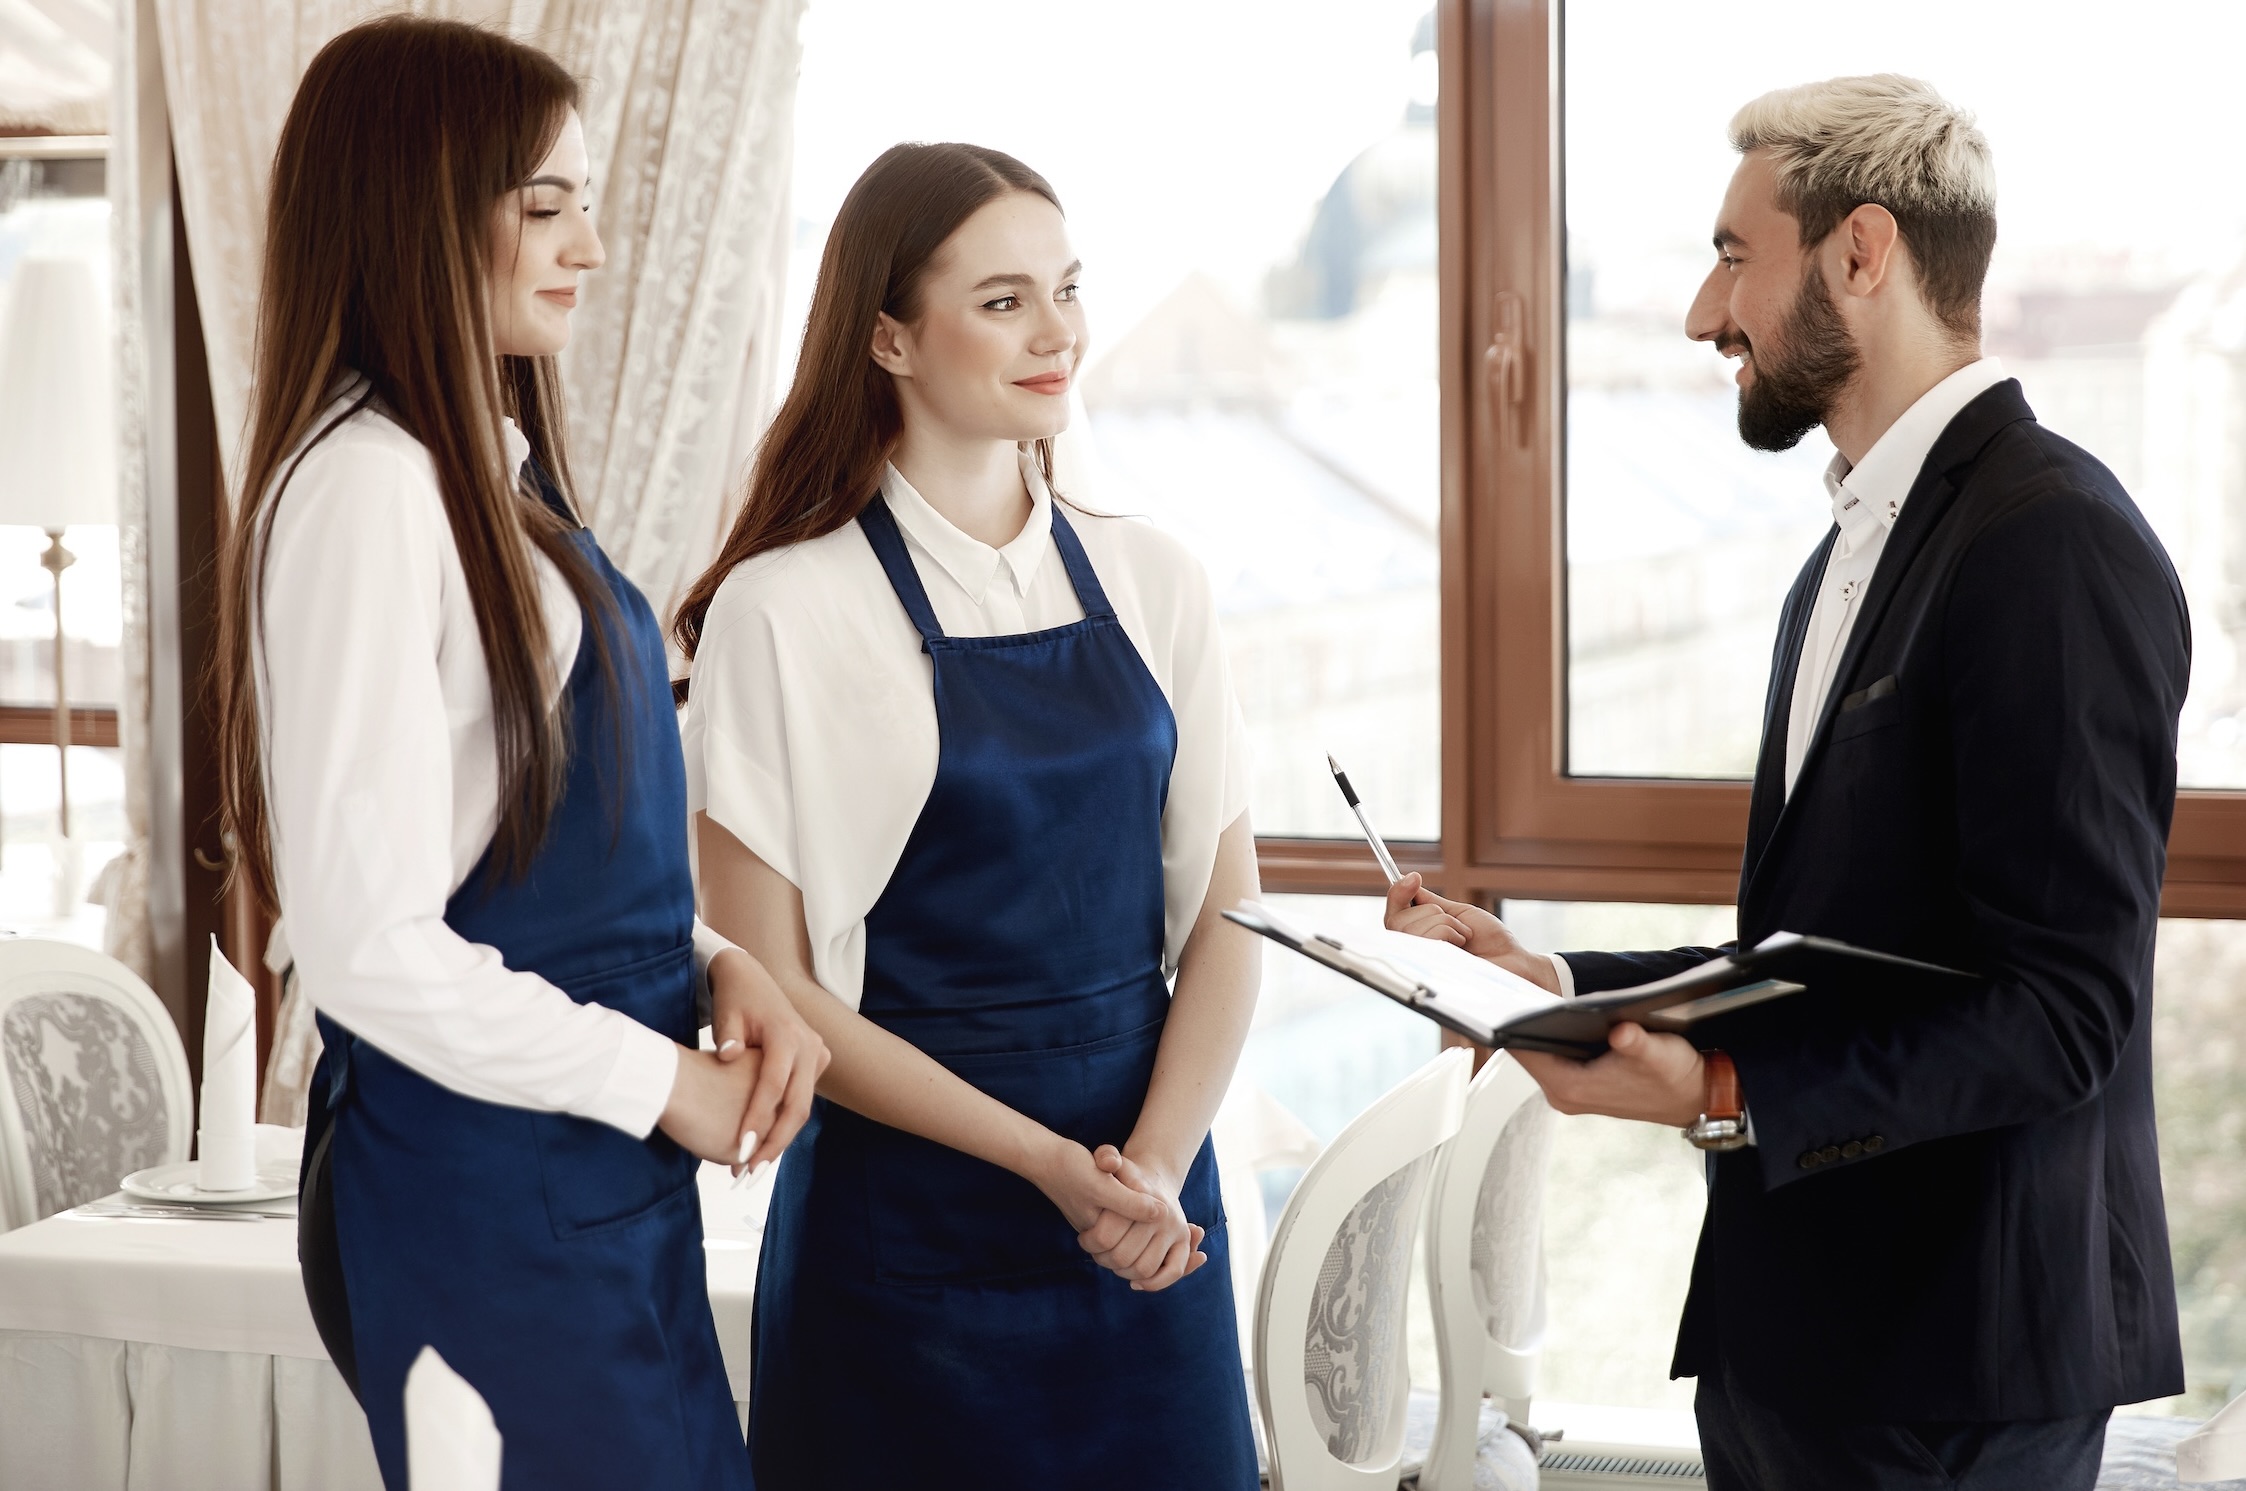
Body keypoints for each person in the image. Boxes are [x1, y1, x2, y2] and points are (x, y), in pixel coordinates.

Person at [1389, 75, 2187, 1491]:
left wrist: (1725, 1088)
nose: (1706, 314)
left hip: (1951, 1382)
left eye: (1731, 256)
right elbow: (1838, 952)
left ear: (1860, 253)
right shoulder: (1844, 556)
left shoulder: (2050, 546)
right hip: (1799, 1348)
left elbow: (2063, 1011)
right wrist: (1559, 975)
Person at [213, 18, 827, 1489]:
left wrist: (713, 964)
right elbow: (365, 949)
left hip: (586, 1179)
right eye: (546, 206)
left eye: (587, 203)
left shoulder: (492, 471)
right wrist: (660, 1081)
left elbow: (522, 837)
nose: (593, 248)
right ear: (418, 211)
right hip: (485, 1191)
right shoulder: (366, 493)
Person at [674, 142, 1263, 1489]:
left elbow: (1228, 916)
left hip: (1148, 1223)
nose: (1057, 331)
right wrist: (1051, 1165)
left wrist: (1150, 1169)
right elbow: (768, 986)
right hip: (905, 1249)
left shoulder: (1155, 579)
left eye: (1065, 289)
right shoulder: (785, 609)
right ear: (886, 334)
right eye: (1002, 300)